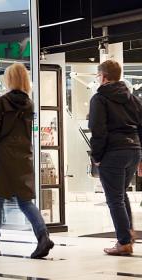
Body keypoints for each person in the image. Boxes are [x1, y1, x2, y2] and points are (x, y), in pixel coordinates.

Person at [0, 63, 54, 259]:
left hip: (3, 156)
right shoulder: (29, 104)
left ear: (9, 79)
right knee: (25, 201)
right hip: (24, 155)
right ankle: (43, 236)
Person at [89, 60, 142, 256]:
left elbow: (98, 130)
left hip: (113, 152)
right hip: (133, 150)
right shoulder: (132, 98)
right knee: (121, 194)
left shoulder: (100, 98)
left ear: (103, 77)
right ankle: (127, 233)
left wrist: (97, 156)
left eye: (97, 76)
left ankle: (124, 242)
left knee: (114, 198)